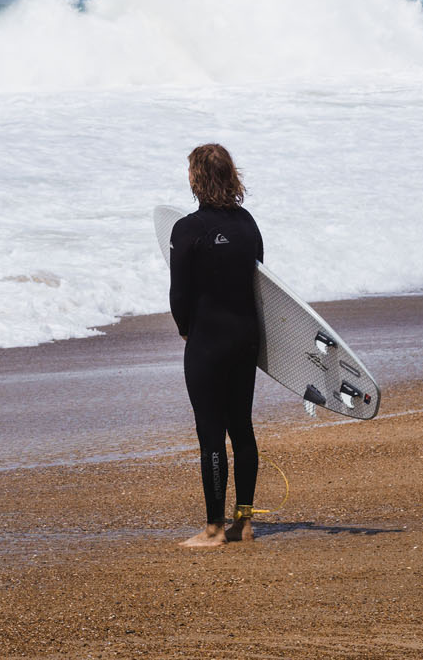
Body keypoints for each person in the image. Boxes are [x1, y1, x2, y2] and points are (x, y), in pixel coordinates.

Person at [169, 143, 263, 548]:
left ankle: (212, 530)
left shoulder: (187, 229)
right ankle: (244, 523)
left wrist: (185, 329)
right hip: (245, 336)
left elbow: (179, 293)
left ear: (196, 178)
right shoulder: (248, 224)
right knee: (242, 428)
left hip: (207, 340)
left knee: (211, 433)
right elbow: (259, 283)